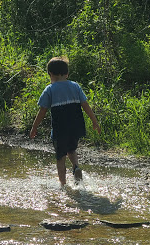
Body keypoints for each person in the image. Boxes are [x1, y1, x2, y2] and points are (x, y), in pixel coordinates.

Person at [29, 57, 101, 187]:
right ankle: (76, 167)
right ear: (67, 73)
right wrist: (94, 121)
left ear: (50, 74)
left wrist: (34, 127)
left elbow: (42, 111)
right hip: (76, 126)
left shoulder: (50, 89)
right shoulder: (75, 86)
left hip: (60, 128)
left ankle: (63, 185)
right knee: (72, 150)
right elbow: (85, 105)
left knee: (60, 156)